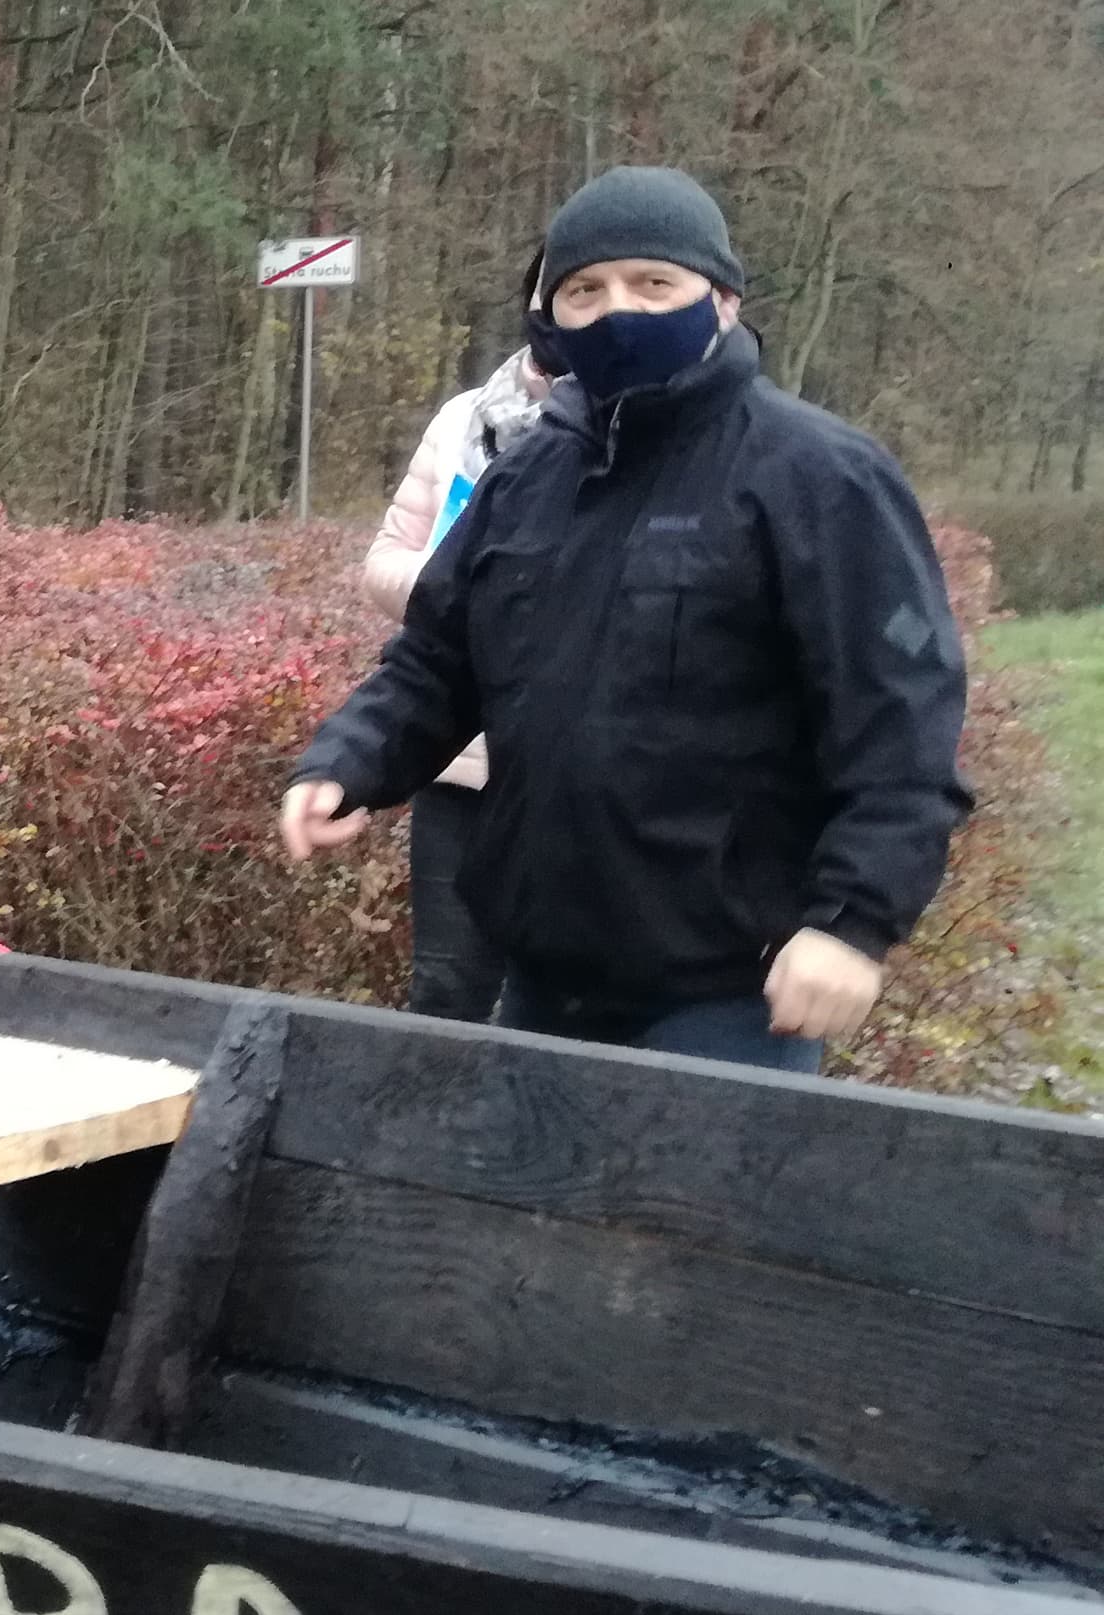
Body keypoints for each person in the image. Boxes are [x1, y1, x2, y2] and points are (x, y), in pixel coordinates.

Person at [281, 164, 971, 1074]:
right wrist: (347, 762)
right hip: (541, 982)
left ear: (721, 299)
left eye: (655, 284)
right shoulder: (527, 480)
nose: (619, 312)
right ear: (550, 315)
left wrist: (852, 923)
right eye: (585, 290)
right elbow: (440, 660)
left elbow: (900, 724)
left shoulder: (819, 477)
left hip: (728, 1000)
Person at [361, 290, 554, 1020]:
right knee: (447, 993)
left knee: (557, 1006)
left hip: (579, 780)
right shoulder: (463, 421)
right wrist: (467, 588)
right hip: (463, 766)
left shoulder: (644, 437)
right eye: (563, 288)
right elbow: (384, 564)